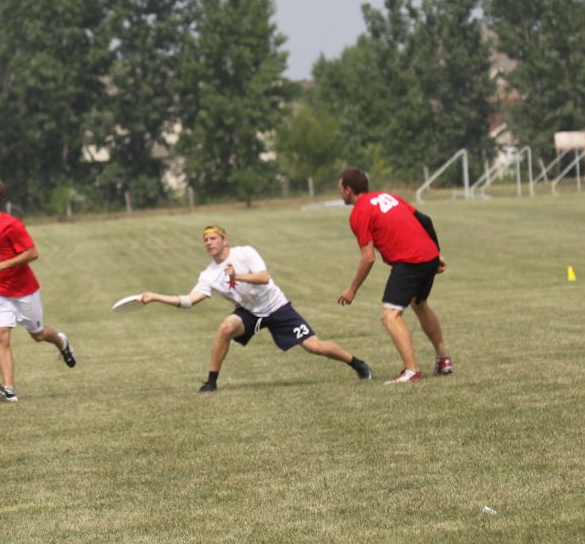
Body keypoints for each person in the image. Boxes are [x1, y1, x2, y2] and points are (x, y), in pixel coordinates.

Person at [135, 224, 371, 393]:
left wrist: (236, 276)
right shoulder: (208, 274)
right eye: (205, 240)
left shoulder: (245, 253)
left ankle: (356, 363)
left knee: (315, 347)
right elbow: (189, 300)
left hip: (277, 307)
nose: (208, 243)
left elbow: (263, 277)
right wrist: (154, 297)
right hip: (249, 312)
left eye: (213, 238)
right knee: (226, 327)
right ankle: (211, 382)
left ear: (224, 240)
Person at [335, 168, 454, 384]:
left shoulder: (359, 212)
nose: (339, 192)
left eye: (340, 188)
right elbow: (425, 220)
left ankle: (411, 370)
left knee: (390, 315)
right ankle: (443, 359)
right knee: (420, 304)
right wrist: (436, 253)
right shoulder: (388, 196)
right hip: (428, 255)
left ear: (348, 190)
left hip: (409, 261)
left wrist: (352, 289)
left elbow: (368, 258)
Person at [0, 175, 76, 403]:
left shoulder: (11, 225)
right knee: (1, 336)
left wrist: (1, 266)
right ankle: (9, 390)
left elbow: (32, 253)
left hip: (24, 291)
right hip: (0, 292)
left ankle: (61, 342)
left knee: (38, 335)